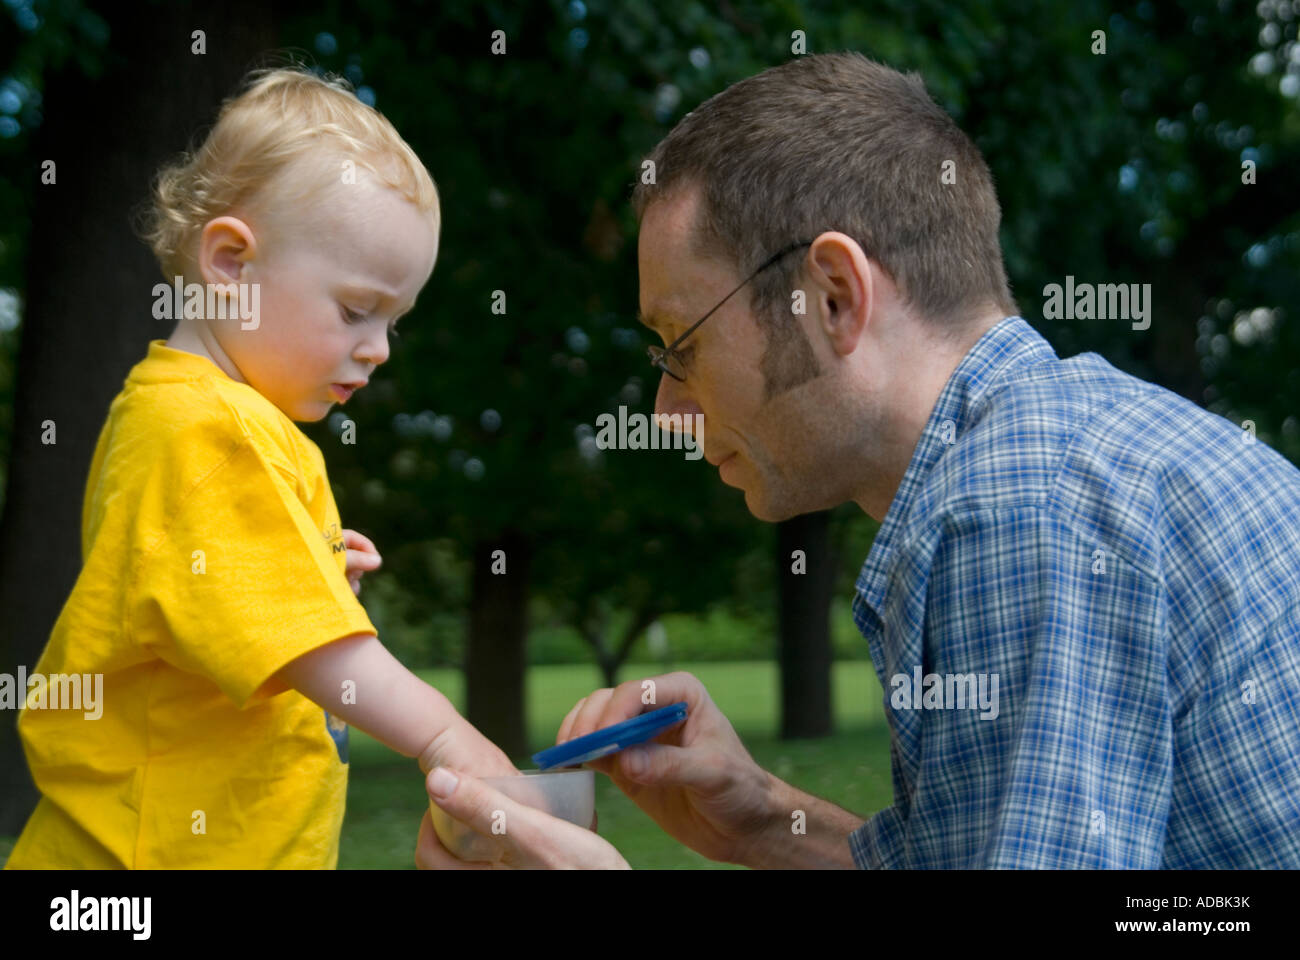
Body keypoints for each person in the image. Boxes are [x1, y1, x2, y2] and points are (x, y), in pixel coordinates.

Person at [417, 52, 1300, 869]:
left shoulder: (1013, 509)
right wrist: (765, 817)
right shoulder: (1062, 449)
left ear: (830, 297)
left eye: (677, 344)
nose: (668, 411)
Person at [4, 67, 517, 870]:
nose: (378, 349)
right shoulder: (213, 430)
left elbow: (207, 612)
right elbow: (320, 655)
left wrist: (308, 578)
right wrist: (445, 735)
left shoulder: (171, 411)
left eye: (393, 320)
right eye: (356, 310)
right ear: (232, 264)